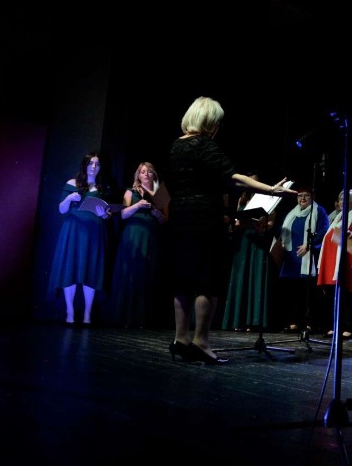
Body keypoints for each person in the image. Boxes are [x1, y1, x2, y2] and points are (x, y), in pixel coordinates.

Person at [167, 96, 295, 365]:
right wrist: (271, 189)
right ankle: (201, 341)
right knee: (206, 278)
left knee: (183, 277)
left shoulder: (176, 147)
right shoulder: (204, 145)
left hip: (180, 215)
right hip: (204, 215)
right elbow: (233, 177)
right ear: (209, 121)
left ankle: (181, 339)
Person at [48, 151, 115, 326]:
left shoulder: (102, 188)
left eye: (97, 164)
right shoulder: (72, 183)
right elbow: (61, 209)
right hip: (74, 231)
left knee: (90, 271)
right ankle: (69, 311)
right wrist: (70, 198)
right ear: (84, 165)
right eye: (91, 163)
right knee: (70, 268)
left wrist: (104, 214)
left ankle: (87, 313)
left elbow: (107, 215)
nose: (94, 167)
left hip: (94, 232)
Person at [108, 161, 169, 329]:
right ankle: (125, 318)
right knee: (131, 274)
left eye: (149, 171)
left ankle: (144, 319)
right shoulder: (131, 192)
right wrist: (138, 205)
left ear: (154, 175)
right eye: (143, 172)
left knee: (147, 275)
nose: (146, 174)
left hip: (151, 237)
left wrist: (157, 214)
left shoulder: (161, 194)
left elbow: (165, 220)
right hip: (133, 235)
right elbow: (123, 214)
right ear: (138, 175)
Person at [221, 173, 278, 333]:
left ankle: (253, 321)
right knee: (241, 279)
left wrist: (261, 225)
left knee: (255, 279)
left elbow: (271, 223)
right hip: (243, 243)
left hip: (258, 244)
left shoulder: (268, 200)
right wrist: (237, 223)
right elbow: (236, 221)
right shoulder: (242, 200)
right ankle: (238, 319)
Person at [275, 184, 329, 334]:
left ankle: (309, 323)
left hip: (309, 256)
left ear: (312, 197)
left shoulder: (319, 211)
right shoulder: (292, 213)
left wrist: (309, 245)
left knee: (309, 293)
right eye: (300, 196)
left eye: (306, 195)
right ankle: (294, 322)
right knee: (293, 292)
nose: (303, 198)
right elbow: (283, 230)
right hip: (292, 258)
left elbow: (324, 230)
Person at [316, 188, 352, 338]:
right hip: (332, 262)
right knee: (334, 294)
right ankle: (335, 325)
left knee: (347, 294)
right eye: (341, 199)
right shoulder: (337, 218)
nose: (344, 202)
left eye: (347, 199)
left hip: (348, 260)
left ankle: (348, 326)